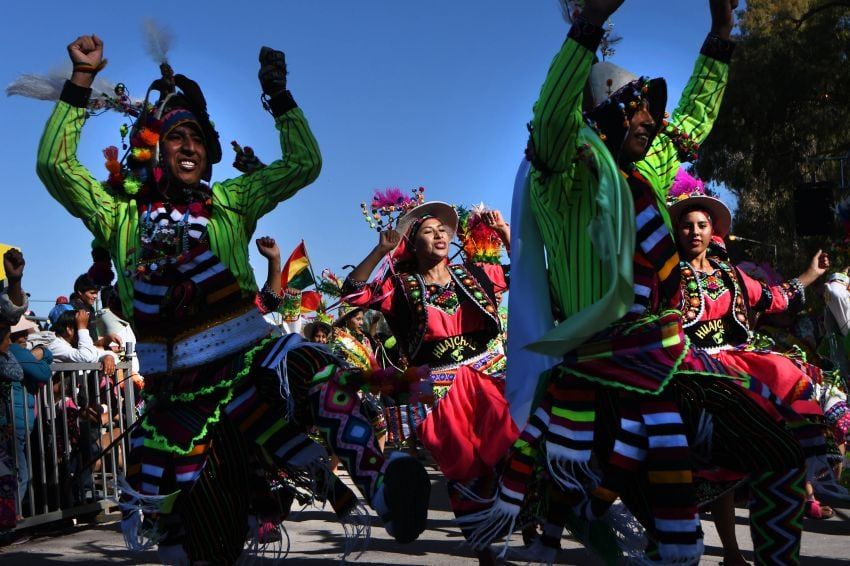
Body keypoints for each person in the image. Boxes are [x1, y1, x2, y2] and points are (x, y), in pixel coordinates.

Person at [37, 34, 429, 563]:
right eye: (176, 137)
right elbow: (55, 168)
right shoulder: (119, 216)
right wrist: (81, 78)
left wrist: (279, 97)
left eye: (197, 136)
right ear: (151, 150)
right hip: (182, 406)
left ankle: (383, 479)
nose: (190, 146)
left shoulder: (231, 202)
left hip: (251, 369)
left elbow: (304, 164)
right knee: (209, 539)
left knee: (312, 363)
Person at [470, 1, 813, 564]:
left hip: (663, 361)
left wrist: (719, 38)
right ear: (603, 118)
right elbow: (553, 115)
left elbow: (692, 127)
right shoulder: (560, 183)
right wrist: (587, 29)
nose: (653, 122)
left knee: (785, 437)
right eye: (640, 111)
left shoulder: (640, 176)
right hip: (600, 372)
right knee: (661, 527)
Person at [669, 182, 833, 563]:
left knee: (787, 387)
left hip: (740, 367)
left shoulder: (732, 276)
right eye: (686, 225)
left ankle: (777, 553)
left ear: (713, 232)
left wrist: (811, 273)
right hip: (692, 371)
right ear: (677, 231)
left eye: (701, 225)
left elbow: (776, 298)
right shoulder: (666, 276)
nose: (694, 232)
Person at [345, 200, 515, 565]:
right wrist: (380, 250)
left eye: (442, 230)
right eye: (428, 231)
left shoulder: (475, 273)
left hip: (490, 374)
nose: (439, 235)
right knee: (464, 465)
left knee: (514, 448)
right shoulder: (399, 287)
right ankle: (484, 548)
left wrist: (505, 234)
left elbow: (527, 273)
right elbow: (352, 292)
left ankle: (532, 525)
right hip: (440, 388)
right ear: (413, 243)